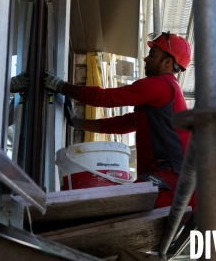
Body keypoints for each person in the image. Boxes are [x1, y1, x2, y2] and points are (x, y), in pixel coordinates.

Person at [44, 32, 195, 210]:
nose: (146, 58)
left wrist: (61, 86)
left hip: (171, 180)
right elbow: (124, 124)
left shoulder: (160, 85)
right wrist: (80, 123)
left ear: (168, 62)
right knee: (119, 208)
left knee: (117, 207)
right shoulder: (167, 93)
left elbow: (107, 98)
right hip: (175, 181)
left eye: (153, 55)